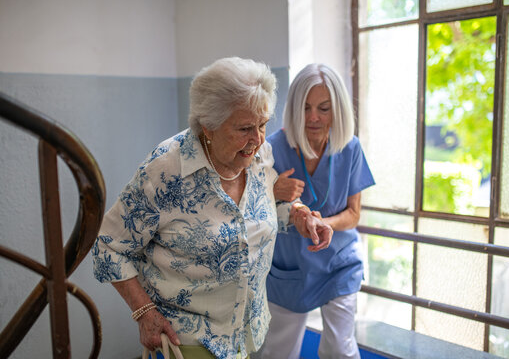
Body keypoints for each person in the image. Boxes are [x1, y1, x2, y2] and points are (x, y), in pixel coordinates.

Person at [91, 57, 333, 359]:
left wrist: (299, 216)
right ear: (209, 126)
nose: (257, 139)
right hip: (189, 345)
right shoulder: (167, 169)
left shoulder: (259, 156)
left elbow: (259, 214)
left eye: (263, 124)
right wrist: (144, 313)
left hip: (250, 333)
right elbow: (109, 245)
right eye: (245, 128)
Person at [259, 64, 375, 359]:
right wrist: (271, 192)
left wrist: (326, 223)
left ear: (337, 109)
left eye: (323, 108)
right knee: (278, 353)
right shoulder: (272, 149)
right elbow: (247, 207)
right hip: (291, 266)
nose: (313, 117)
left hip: (339, 262)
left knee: (340, 349)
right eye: (306, 107)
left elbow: (354, 213)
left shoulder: (350, 148)